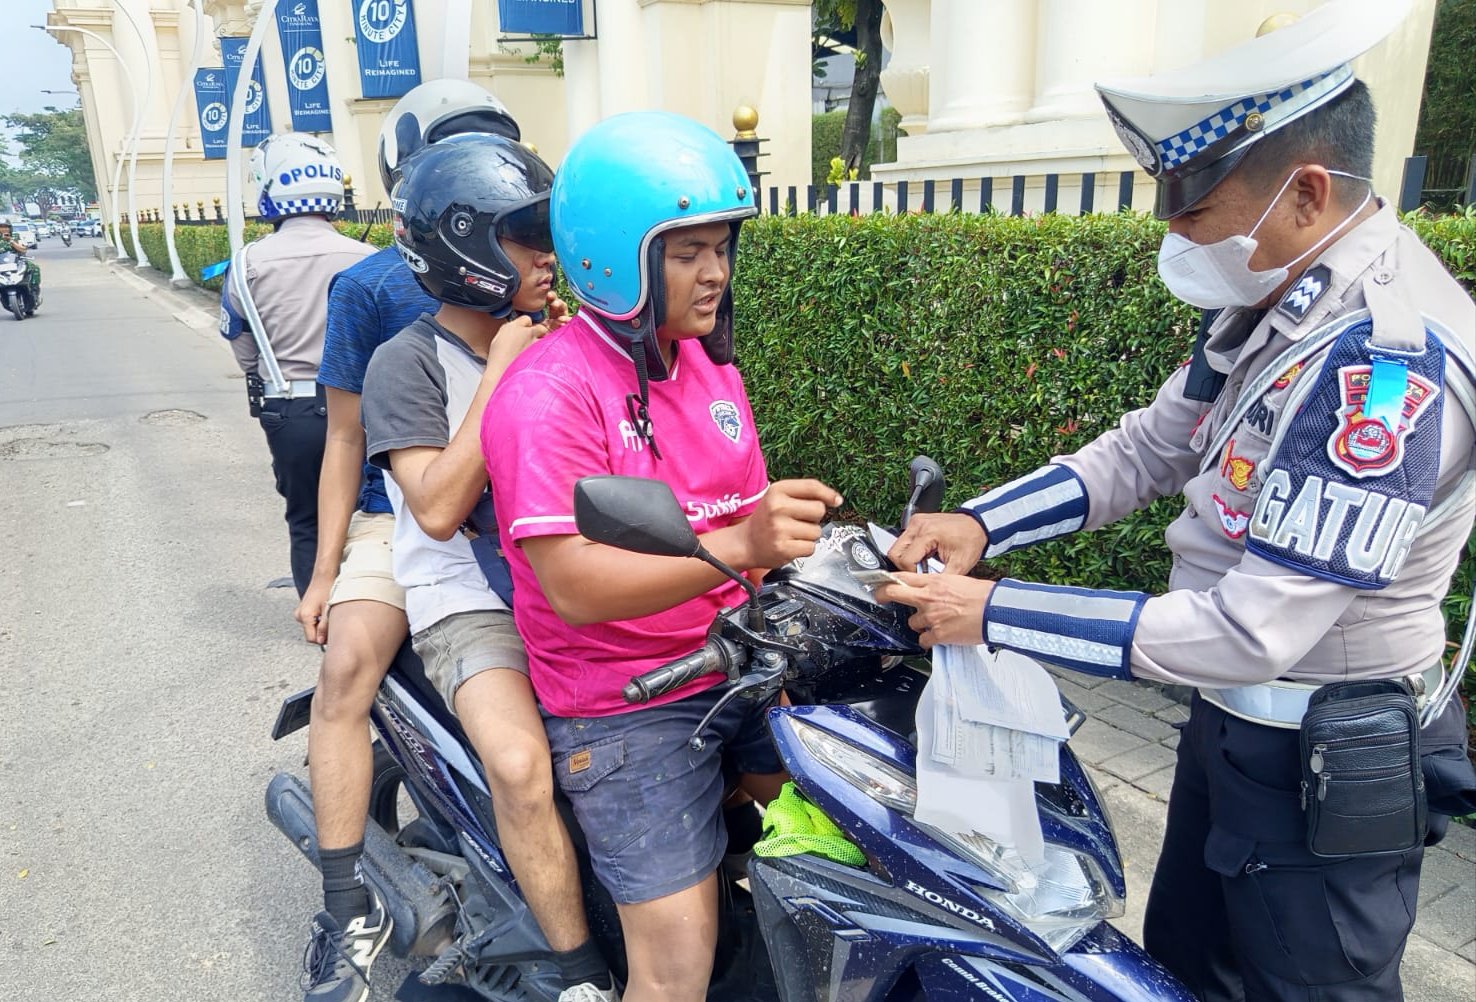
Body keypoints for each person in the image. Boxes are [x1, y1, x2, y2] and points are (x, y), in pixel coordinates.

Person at [878, 3, 1476, 1000]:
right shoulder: (1276, 300)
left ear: (1307, 192)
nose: (1172, 229)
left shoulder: (1381, 361)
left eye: (1195, 206)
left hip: (1319, 770)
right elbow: (1153, 446)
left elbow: (1252, 632)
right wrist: (984, 524)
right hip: (1233, 735)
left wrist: (991, 610)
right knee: (1182, 972)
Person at [483, 111, 842, 1002]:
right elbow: (572, 585)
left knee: (844, 849)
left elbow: (746, 516)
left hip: (739, 665)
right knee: (675, 972)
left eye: (721, 248)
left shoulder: (707, 367)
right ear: (617, 258)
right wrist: (738, 544)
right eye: (687, 253)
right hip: (624, 706)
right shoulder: (549, 394)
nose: (716, 273)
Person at [359, 134, 613, 1001]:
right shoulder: (407, 363)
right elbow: (432, 506)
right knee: (518, 765)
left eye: (549, 235)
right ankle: (577, 972)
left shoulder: (574, 342)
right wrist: (503, 374)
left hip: (574, 579)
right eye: (525, 238)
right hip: (471, 599)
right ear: (464, 246)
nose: (548, 257)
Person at [292, 80, 524, 1002]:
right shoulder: (370, 289)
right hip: (410, 511)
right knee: (346, 671)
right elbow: (347, 439)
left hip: (530, 513)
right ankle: (346, 907)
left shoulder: (546, 273)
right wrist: (326, 569)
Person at [219, 133, 374, 597]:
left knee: (307, 518)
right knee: (376, 513)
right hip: (367, 407)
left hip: (290, 407)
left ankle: (321, 614)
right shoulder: (368, 258)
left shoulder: (246, 263)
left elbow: (240, 341)